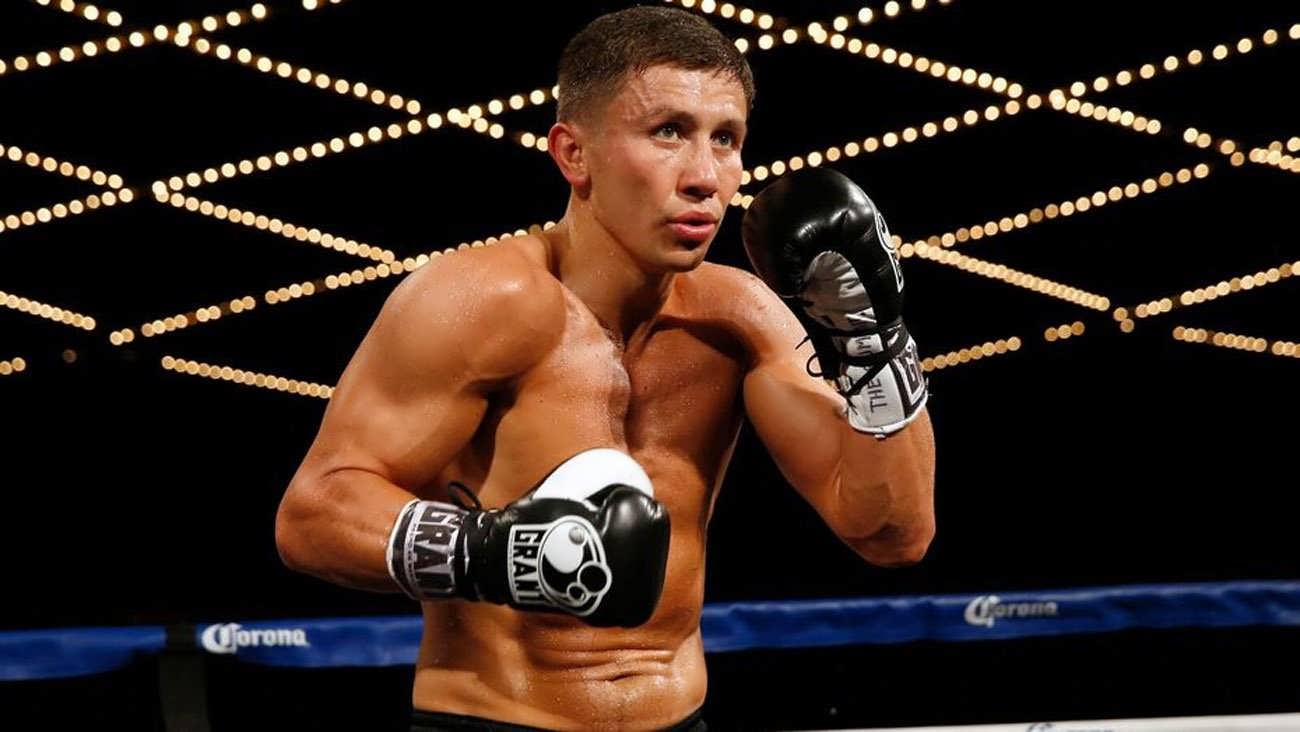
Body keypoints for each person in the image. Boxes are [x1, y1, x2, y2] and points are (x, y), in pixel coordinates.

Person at [275, 6, 936, 731]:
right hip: (495, 721)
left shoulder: (739, 316)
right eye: (668, 132)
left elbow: (893, 534)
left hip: (683, 717)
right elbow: (313, 517)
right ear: (573, 154)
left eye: (726, 139)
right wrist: (505, 554)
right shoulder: (484, 301)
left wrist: (876, 344)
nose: (705, 177)